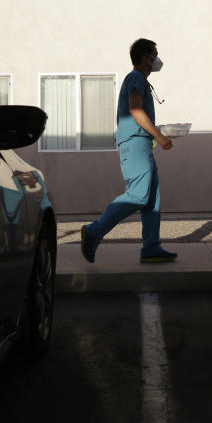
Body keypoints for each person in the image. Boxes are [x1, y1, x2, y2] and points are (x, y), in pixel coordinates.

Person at [80, 38, 177, 264]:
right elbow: (135, 109)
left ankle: (151, 247)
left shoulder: (139, 79)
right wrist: (159, 135)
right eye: (155, 54)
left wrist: (155, 131)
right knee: (138, 195)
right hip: (135, 145)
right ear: (146, 58)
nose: (157, 59)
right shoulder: (136, 77)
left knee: (152, 199)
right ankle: (94, 231)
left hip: (140, 144)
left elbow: (137, 112)